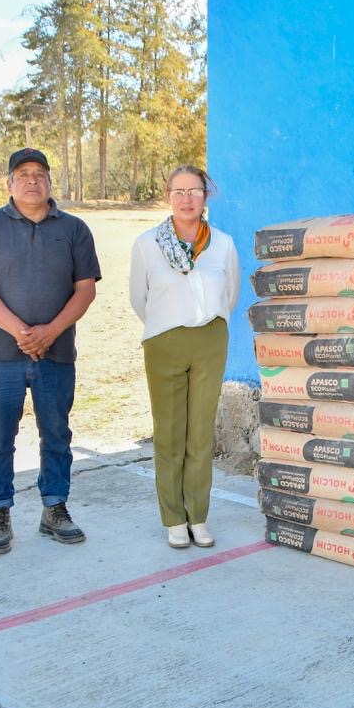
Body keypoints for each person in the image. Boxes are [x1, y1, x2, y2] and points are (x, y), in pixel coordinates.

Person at [0, 148, 101, 555]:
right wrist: (22, 332)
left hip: (56, 356)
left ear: (49, 182)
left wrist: (50, 332)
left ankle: (54, 508)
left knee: (56, 434)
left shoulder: (74, 229)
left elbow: (85, 289)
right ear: (9, 184)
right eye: (23, 174)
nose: (32, 180)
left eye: (40, 173)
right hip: (0, 356)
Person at [129, 166, 239, 549]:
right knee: (170, 433)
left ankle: (198, 516)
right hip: (164, 341)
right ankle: (175, 519)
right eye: (178, 191)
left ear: (206, 196)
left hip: (210, 340)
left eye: (194, 191)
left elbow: (230, 294)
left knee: (200, 433)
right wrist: (168, 322)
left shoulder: (222, 244)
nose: (186, 199)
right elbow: (139, 298)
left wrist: (204, 324)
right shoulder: (147, 244)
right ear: (167, 196)